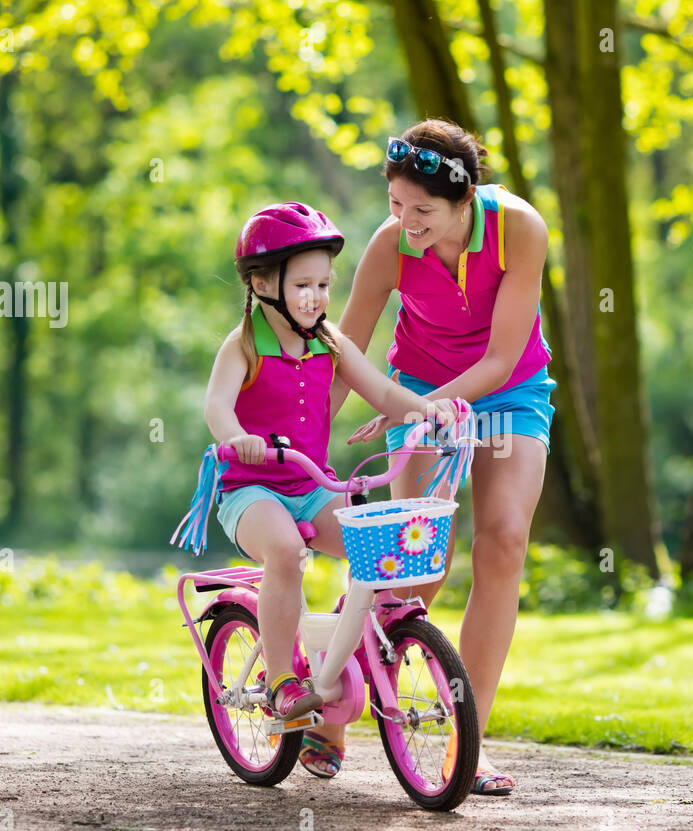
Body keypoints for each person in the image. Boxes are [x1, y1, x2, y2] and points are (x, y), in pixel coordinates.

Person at [318, 119, 556, 795]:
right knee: (416, 565)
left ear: (464, 201)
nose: (405, 222)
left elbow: (503, 357)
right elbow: (348, 352)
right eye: (395, 205)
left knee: (504, 542)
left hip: (508, 393)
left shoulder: (519, 229)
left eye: (421, 210)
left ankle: (465, 742)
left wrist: (430, 410)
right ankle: (328, 704)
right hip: (420, 389)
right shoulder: (391, 247)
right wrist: (305, 439)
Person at [204, 201, 457, 728]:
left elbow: (384, 391)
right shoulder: (244, 344)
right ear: (262, 283)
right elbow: (216, 407)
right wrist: (238, 438)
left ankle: (343, 642)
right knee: (285, 550)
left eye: (323, 284)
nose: (316, 297)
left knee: (383, 549)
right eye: (303, 285)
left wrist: (429, 410)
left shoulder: (331, 342)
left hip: (312, 485)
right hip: (252, 490)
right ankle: (279, 682)